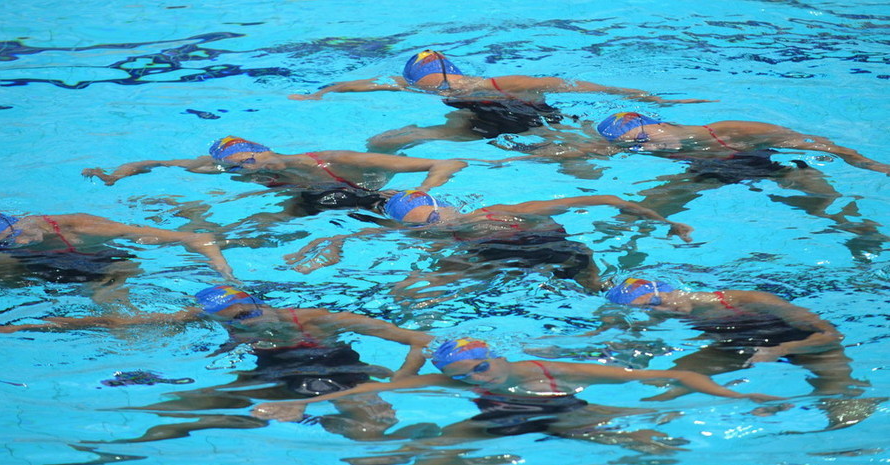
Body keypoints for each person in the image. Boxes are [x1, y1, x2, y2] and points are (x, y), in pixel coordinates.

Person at [0, 284, 434, 442]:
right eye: (234, 325)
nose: (247, 328)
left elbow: (420, 338)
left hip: (337, 371)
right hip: (269, 377)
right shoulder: (213, 323)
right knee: (180, 410)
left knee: (367, 428)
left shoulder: (322, 320)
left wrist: (399, 380)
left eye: (248, 315)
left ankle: (303, 417)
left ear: (260, 303)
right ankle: (117, 445)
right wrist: (13, 329)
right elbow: (109, 323)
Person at [492, 112, 890, 259]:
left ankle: (861, 234)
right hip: (703, 172)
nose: (645, 149)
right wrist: (520, 155)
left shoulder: (735, 130)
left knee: (827, 206)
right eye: (635, 146)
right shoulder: (645, 146)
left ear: (659, 123)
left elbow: (821, 145)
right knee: (640, 212)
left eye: (646, 140)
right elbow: (584, 152)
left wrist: (871, 164)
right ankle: (624, 255)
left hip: (770, 166)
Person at [251, 337, 781, 438]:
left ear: (496, 358)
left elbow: (675, 376)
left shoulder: (550, 372)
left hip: (572, 413)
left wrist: (737, 397)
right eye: (461, 376)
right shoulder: (455, 378)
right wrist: (301, 404)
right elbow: (362, 394)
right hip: (501, 421)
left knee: (648, 439)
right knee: (423, 455)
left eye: (478, 370)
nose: (471, 378)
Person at [285, 189, 694, 294]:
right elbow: (605, 199)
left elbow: (604, 199)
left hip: (510, 257)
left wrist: (669, 222)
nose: (432, 229)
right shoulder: (502, 211)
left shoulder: (506, 211)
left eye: (430, 221)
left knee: (413, 289)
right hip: (556, 252)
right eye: (423, 227)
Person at [289, 49, 713, 151]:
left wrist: (647, 97)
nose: (442, 90)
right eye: (435, 86)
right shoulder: (417, 87)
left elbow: (574, 86)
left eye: (445, 82)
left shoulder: (500, 81)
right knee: (383, 143)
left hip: (530, 114)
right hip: (476, 123)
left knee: (579, 157)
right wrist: (319, 92)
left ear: (456, 74)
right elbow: (363, 85)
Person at [601, 277, 870, 405]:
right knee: (661, 385)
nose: (660, 311)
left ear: (672, 290)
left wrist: (781, 349)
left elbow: (832, 335)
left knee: (840, 399)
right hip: (738, 346)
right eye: (649, 310)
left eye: (657, 301)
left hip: (804, 343)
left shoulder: (748, 300)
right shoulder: (674, 311)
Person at [0, 210, 234, 304]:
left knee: (109, 307)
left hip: (102, 265)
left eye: (14, 238)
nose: (19, 243)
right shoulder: (11, 241)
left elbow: (195, 238)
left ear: (17, 224)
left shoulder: (82, 227)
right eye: (4, 244)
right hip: (44, 264)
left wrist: (220, 265)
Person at [82, 135, 468, 191]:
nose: (248, 169)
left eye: (251, 160)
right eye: (236, 168)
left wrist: (420, 194)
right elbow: (154, 161)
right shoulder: (241, 169)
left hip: (363, 191)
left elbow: (450, 162)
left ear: (265, 149)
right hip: (314, 198)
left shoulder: (338, 159)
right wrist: (114, 176)